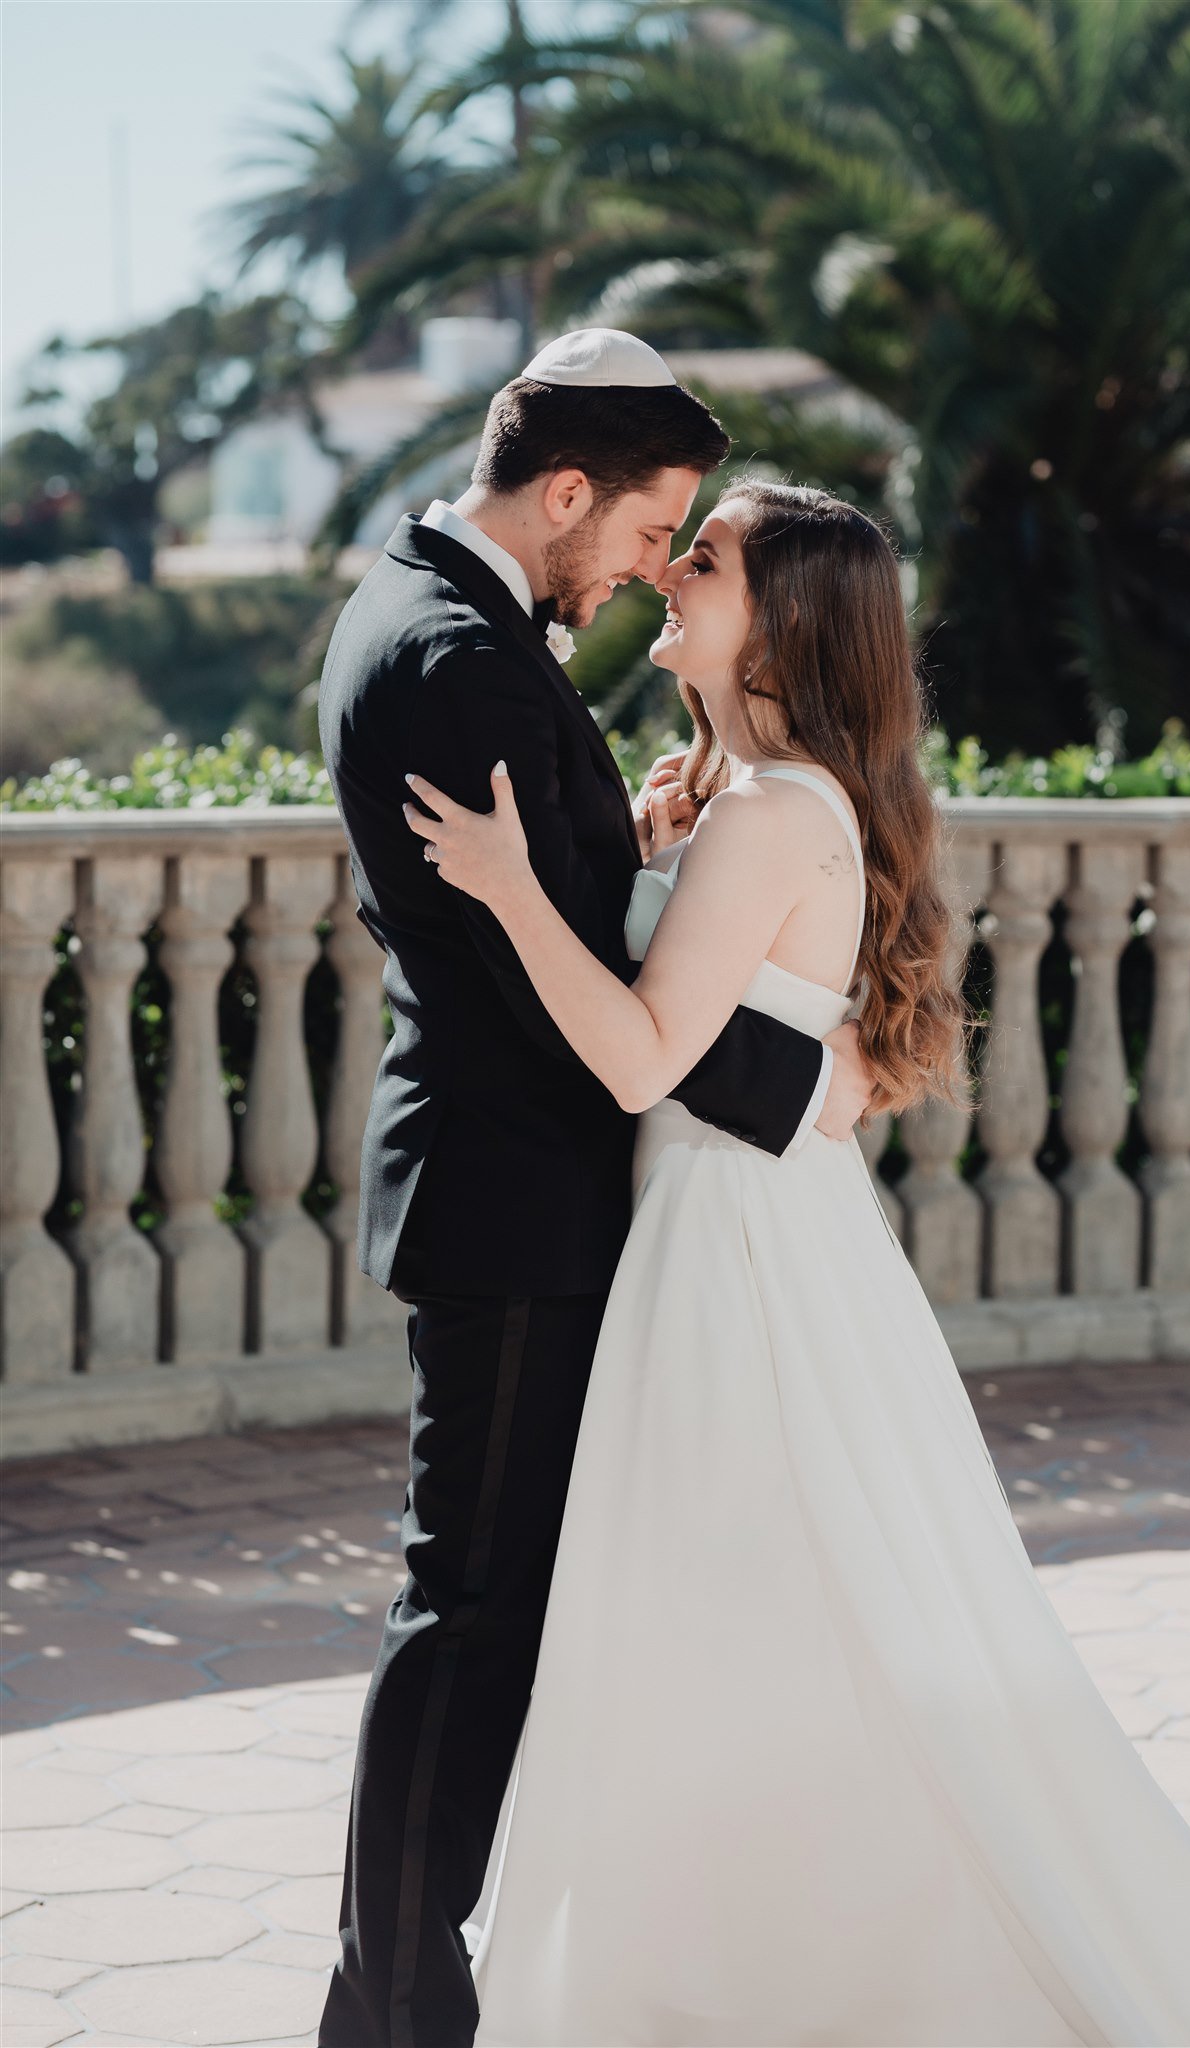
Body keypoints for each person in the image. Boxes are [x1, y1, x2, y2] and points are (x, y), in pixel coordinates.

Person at [403, 479, 1190, 2046]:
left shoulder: (778, 814)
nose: (669, 573)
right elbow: (775, 1044)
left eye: (701, 560)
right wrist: (650, 853)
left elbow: (649, 1058)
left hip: (733, 1255)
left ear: (779, 623)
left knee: (745, 1601)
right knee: (749, 1608)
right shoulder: (742, 800)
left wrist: (516, 895)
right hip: (732, 1228)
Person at [315, 332, 875, 2047]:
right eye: (654, 529)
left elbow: (551, 932)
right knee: (472, 1616)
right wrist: (823, 1078)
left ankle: (410, 1976)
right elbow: (580, 1002)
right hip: (518, 1204)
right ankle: (399, 2000)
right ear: (567, 492)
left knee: (501, 1608)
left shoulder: (424, 616)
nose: (650, 567)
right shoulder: (465, 661)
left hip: (529, 1196)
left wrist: (624, 880)